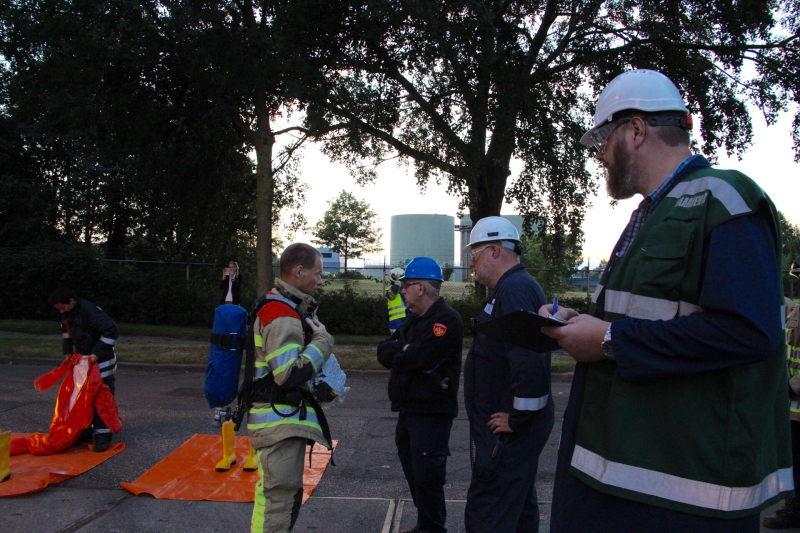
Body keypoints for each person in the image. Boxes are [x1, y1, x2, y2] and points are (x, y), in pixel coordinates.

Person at [540, 69, 792, 532]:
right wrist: (582, 324)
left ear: (635, 130)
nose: (598, 154)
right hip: (622, 475)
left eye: (601, 136)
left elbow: (747, 331)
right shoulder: (654, 212)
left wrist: (610, 340)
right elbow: (648, 315)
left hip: (681, 494)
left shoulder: (725, 198)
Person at [462, 216, 555, 533]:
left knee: (489, 514)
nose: (472, 265)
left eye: (474, 257)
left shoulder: (513, 291)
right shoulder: (512, 288)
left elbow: (529, 363)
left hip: (506, 437)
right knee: (518, 510)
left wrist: (518, 420)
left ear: (493, 251)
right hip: (510, 432)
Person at [247, 243, 334, 533]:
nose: (320, 281)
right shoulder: (281, 313)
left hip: (276, 423)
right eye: (317, 274)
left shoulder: (279, 307)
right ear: (299, 272)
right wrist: (322, 342)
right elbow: (286, 374)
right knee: (279, 502)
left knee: (272, 499)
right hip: (278, 424)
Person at [377, 257, 463, 533]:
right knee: (413, 470)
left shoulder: (446, 320)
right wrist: (403, 350)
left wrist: (404, 351)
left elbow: (422, 357)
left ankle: (433, 527)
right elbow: (383, 352)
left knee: (428, 474)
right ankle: (426, 523)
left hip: (431, 411)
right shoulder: (413, 321)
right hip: (409, 409)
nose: (402, 290)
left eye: (407, 285)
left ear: (422, 288)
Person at [49, 286, 119, 452]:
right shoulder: (68, 313)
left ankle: (103, 436)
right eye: (58, 309)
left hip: (101, 363)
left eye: (62, 307)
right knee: (82, 398)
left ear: (71, 301)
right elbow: (67, 332)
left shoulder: (89, 311)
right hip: (83, 361)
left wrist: (96, 354)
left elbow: (111, 331)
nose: (61, 311)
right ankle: (85, 431)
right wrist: (67, 350)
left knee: (101, 399)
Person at [763, 260, 800, 529]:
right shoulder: (795, 310)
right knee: (794, 462)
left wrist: (791, 387)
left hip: (794, 396)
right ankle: (794, 509)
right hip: (792, 408)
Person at [387, 266, 408, 333]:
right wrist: (398, 280)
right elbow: (392, 294)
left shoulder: (405, 289)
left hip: (406, 319)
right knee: (396, 342)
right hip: (396, 321)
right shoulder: (390, 290)